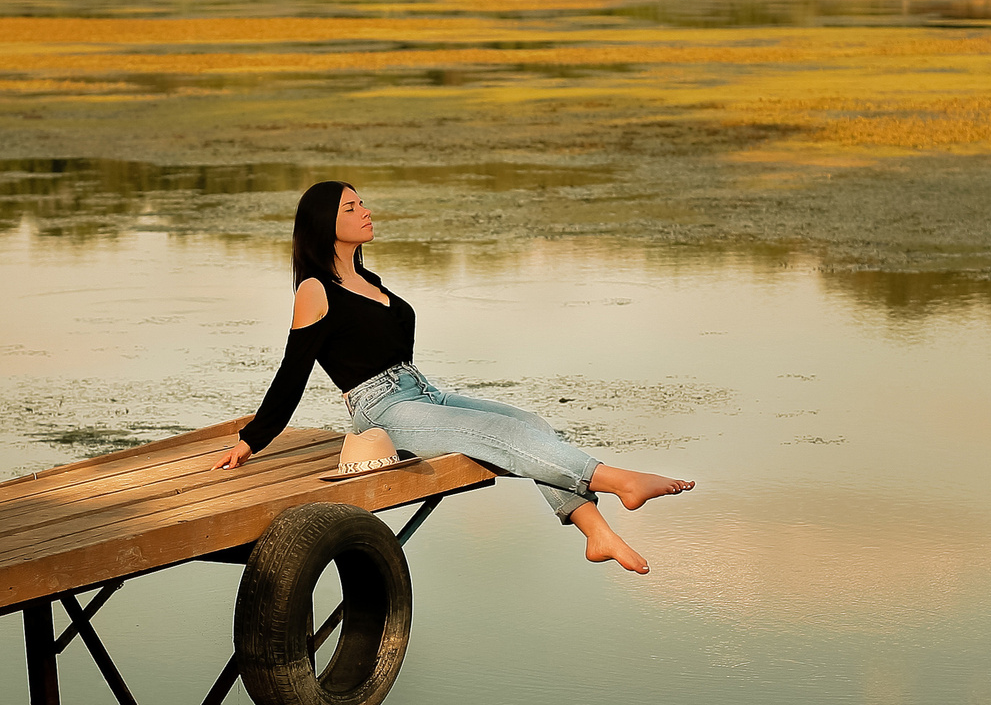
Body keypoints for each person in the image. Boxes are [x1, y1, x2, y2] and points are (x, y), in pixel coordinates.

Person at [215, 181, 693, 573]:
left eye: (362, 202)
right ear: (326, 224)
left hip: (422, 392)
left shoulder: (370, 281)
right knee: (502, 435)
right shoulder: (315, 291)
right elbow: (291, 373)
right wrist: (252, 439)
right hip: (382, 410)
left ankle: (598, 534)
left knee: (529, 421)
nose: (365, 211)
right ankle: (619, 480)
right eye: (351, 206)